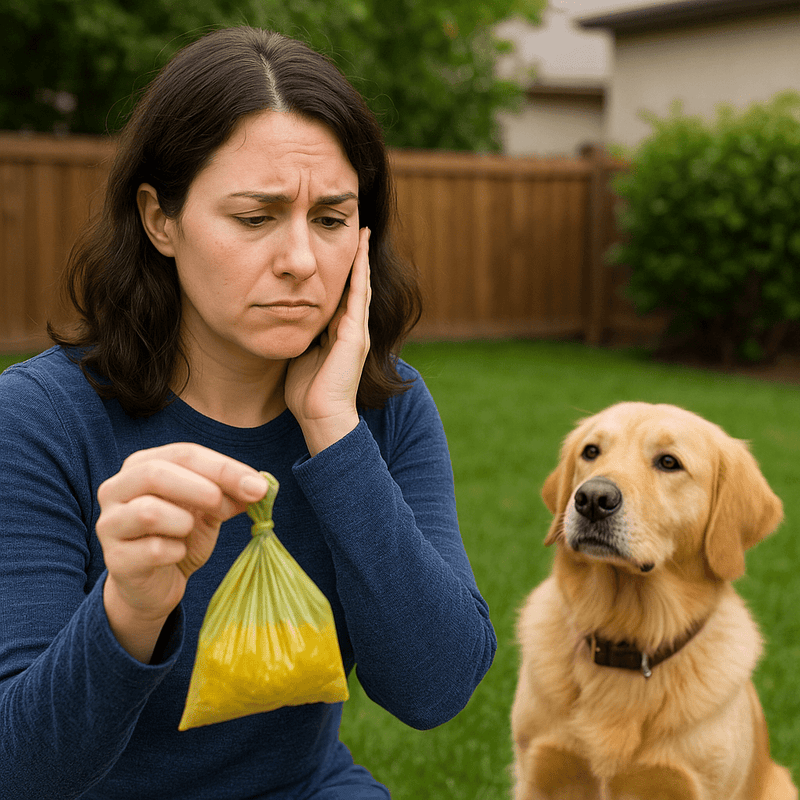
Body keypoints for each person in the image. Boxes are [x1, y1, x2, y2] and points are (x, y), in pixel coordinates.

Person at [0, 26, 496, 800]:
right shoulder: (40, 421)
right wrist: (131, 608)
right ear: (160, 219)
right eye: (256, 218)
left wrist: (335, 435)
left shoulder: (383, 409)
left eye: (330, 220)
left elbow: (433, 690)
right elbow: (21, 768)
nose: (301, 259)